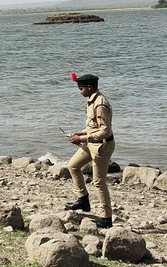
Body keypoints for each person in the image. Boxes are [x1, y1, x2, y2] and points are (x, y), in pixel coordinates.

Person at [63, 73, 115, 228]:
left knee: (99, 182)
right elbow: (92, 127)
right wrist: (81, 133)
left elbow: (105, 131)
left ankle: (107, 219)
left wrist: (82, 139)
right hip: (92, 143)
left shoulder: (100, 104)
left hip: (102, 146)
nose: (79, 91)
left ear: (89, 87)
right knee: (72, 166)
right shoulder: (91, 100)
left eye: (81, 88)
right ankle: (83, 200)